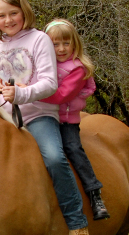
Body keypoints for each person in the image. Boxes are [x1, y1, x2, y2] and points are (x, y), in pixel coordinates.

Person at [0, 0, 95, 235]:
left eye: (13, 13)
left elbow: (49, 83)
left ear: (24, 12)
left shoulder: (40, 39)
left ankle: (77, 226)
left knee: (54, 158)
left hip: (39, 115)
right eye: (2, 15)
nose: (8, 20)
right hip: (6, 118)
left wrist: (21, 93)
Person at [41, 19, 110, 221]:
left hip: (66, 121)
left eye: (66, 43)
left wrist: (30, 93)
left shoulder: (77, 69)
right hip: (44, 116)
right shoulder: (45, 65)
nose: (61, 49)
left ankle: (93, 192)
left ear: (75, 43)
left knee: (73, 149)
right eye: (55, 44)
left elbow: (62, 95)